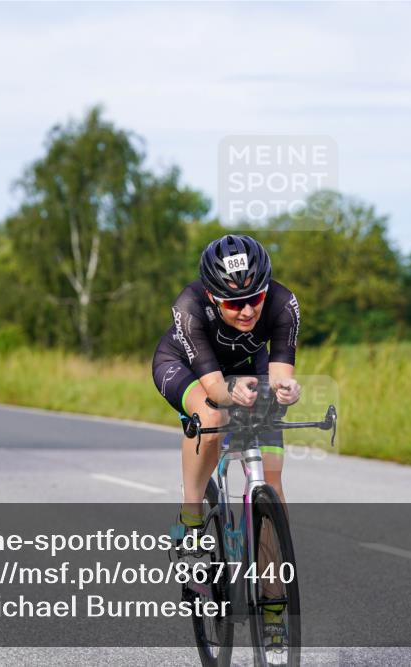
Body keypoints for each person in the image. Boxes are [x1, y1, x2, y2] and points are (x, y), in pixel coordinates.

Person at [151, 234, 301, 655]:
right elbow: (216, 389)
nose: (249, 310)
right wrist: (231, 396)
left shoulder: (284, 303)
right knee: (213, 418)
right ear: (213, 298)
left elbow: (281, 370)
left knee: (272, 477)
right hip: (187, 368)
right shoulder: (188, 307)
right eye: (235, 304)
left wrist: (287, 390)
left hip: (246, 367)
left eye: (255, 297)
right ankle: (192, 518)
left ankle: (274, 604)